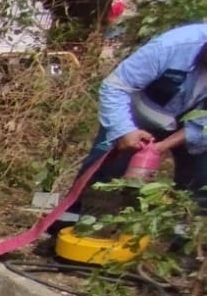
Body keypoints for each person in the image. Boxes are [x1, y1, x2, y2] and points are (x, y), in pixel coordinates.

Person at [73, 21, 207, 211]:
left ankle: (185, 235)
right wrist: (124, 131)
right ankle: (70, 228)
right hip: (135, 114)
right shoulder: (172, 46)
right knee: (103, 177)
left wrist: (161, 147)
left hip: (189, 121)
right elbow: (115, 86)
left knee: (201, 183)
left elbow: (202, 124)